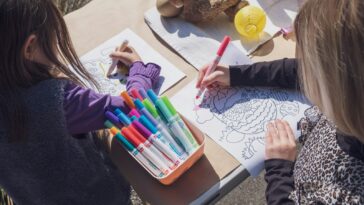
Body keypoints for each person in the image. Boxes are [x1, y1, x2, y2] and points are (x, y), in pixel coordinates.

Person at [196, 0, 364, 204]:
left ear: (337, 90)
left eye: (312, 72)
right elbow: (298, 70)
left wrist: (279, 169)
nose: (304, 74)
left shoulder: (346, 196)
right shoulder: (351, 99)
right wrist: (236, 74)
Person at [0, 0, 160, 204]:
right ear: (30, 47)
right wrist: (140, 71)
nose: (58, 45)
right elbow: (133, 108)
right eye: (54, 37)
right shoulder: (60, 102)